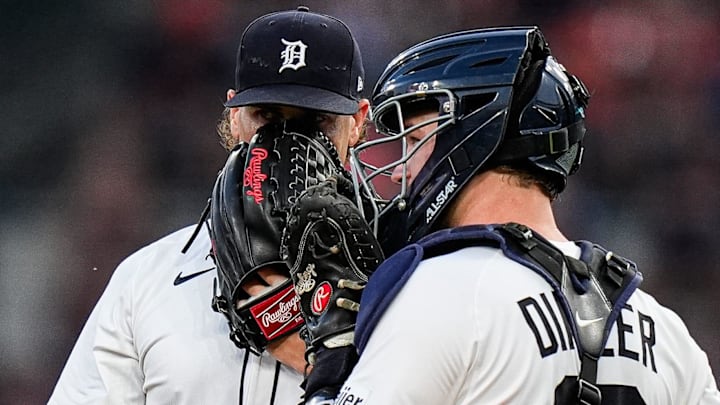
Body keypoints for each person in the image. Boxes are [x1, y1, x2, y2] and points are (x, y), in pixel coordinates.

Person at [335, 27, 720, 404]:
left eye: (415, 140)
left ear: (474, 137)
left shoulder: (442, 290)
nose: (398, 170)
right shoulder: (669, 334)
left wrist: (317, 370)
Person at [47, 7, 369, 404]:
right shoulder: (146, 280)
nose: (289, 146)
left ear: (357, 122)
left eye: (316, 122)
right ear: (234, 116)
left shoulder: (404, 275)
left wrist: (306, 344)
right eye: (267, 116)